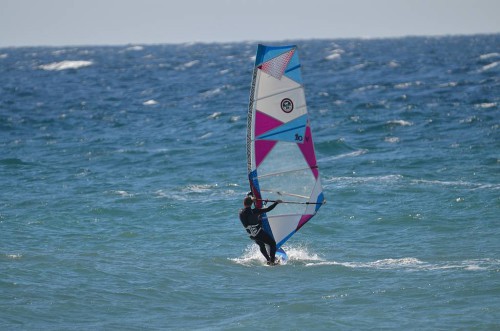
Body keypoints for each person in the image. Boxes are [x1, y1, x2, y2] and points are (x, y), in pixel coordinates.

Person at [239, 194, 282, 265]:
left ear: (244, 203)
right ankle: (272, 261)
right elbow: (267, 209)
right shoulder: (255, 211)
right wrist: (276, 202)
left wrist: (258, 202)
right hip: (258, 233)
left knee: (261, 245)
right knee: (272, 243)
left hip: (251, 234)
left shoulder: (241, 212)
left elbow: (251, 214)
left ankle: (268, 260)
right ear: (252, 203)